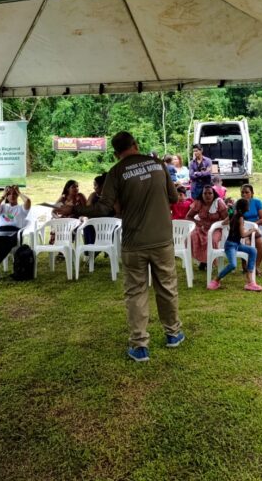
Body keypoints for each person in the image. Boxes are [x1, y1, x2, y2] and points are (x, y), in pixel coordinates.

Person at [58, 131, 184, 363]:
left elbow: (103, 208)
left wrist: (75, 210)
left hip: (134, 242)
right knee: (166, 286)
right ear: (136, 144)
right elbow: (174, 198)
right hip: (162, 239)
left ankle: (139, 346)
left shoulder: (116, 172)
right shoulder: (157, 163)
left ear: (116, 154)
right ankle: (173, 334)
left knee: (136, 292)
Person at [207, 198, 262, 292]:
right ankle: (216, 280)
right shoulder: (240, 218)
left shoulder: (233, 215)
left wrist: (231, 219)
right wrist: (252, 230)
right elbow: (242, 235)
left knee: (253, 250)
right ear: (246, 208)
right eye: (248, 206)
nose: (249, 208)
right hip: (230, 245)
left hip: (237, 244)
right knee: (233, 264)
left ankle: (250, 280)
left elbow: (224, 223)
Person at [0, 185, 31, 281]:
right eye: (9, 194)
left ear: (17, 196)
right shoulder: (3, 207)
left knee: (6, 244)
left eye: (14, 194)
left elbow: (28, 202)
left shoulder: (21, 208)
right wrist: (3, 196)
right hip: (0, 231)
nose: (12, 196)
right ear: (7, 196)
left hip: (14, 232)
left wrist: (19, 192)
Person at [185, 184, 228, 271]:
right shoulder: (198, 202)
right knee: (190, 237)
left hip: (216, 228)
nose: (207, 195)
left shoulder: (219, 202)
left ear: (213, 194)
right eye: (205, 193)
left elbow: (226, 219)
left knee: (212, 240)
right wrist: (199, 223)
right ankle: (203, 261)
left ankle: (209, 261)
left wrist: (215, 225)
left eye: (210, 193)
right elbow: (188, 216)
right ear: (202, 194)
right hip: (201, 227)